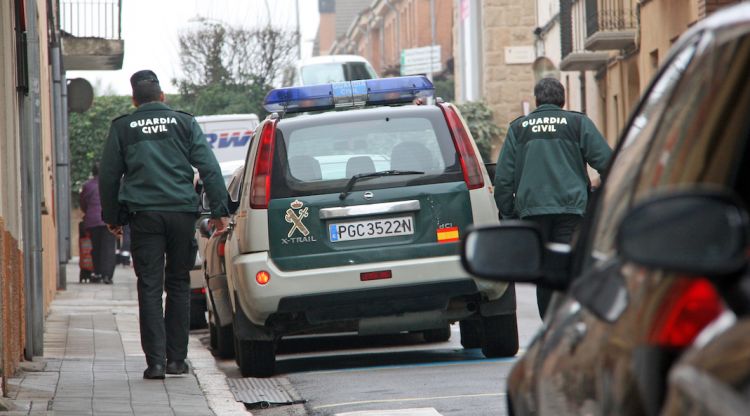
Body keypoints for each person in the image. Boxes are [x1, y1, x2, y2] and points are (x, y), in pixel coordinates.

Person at [99, 70, 230, 380]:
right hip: (181, 213)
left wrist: (113, 218)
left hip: (144, 215)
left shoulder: (123, 127)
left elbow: (108, 175)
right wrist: (219, 210)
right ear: (162, 97)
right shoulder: (184, 122)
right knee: (179, 283)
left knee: (149, 286)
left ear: (134, 99)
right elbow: (209, 167)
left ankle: (155, 363)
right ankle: (176, 361)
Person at [494, 77, 613, 319]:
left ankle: (549, 324)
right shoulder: (578, 123)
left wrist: (509, 214)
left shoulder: (519, 128)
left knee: (544, 270)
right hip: (571, 211)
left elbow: (503, 179)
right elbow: (609, 163)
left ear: (537, 100)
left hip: (532, 214)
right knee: (570, 266)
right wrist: (602, 197)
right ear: (564, 98)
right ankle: (571, 319)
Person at [79, 162, 117, 284]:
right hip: (111, 220)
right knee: (109, 248)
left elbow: (83, 203)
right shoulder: (113, 184)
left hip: (92, 221)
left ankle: (97, 273)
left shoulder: (87, 186)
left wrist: (89, 212)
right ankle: (107, 276)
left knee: (95, 248)